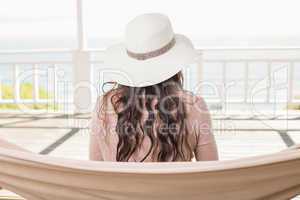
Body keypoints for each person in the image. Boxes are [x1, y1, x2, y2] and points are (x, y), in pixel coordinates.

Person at [89, 13, 218, 162]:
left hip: (115, 186)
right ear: (174, 63)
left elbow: (95, 168)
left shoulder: (104, 105)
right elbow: (210, 171)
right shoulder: (195, 106)